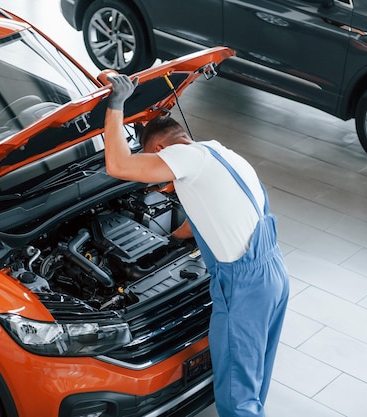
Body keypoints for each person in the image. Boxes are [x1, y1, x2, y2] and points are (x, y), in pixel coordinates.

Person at [103, 74, 290, 417]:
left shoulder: (182, 158)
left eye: (151, 160)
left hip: (243, 288)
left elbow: (117, 165)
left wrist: (115, 105)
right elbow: (206, 218)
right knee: (251, 384)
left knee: (236, 400)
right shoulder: (221, 153)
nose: (157, 178)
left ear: (160, 150)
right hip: (273, 274)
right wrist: (168, 242)